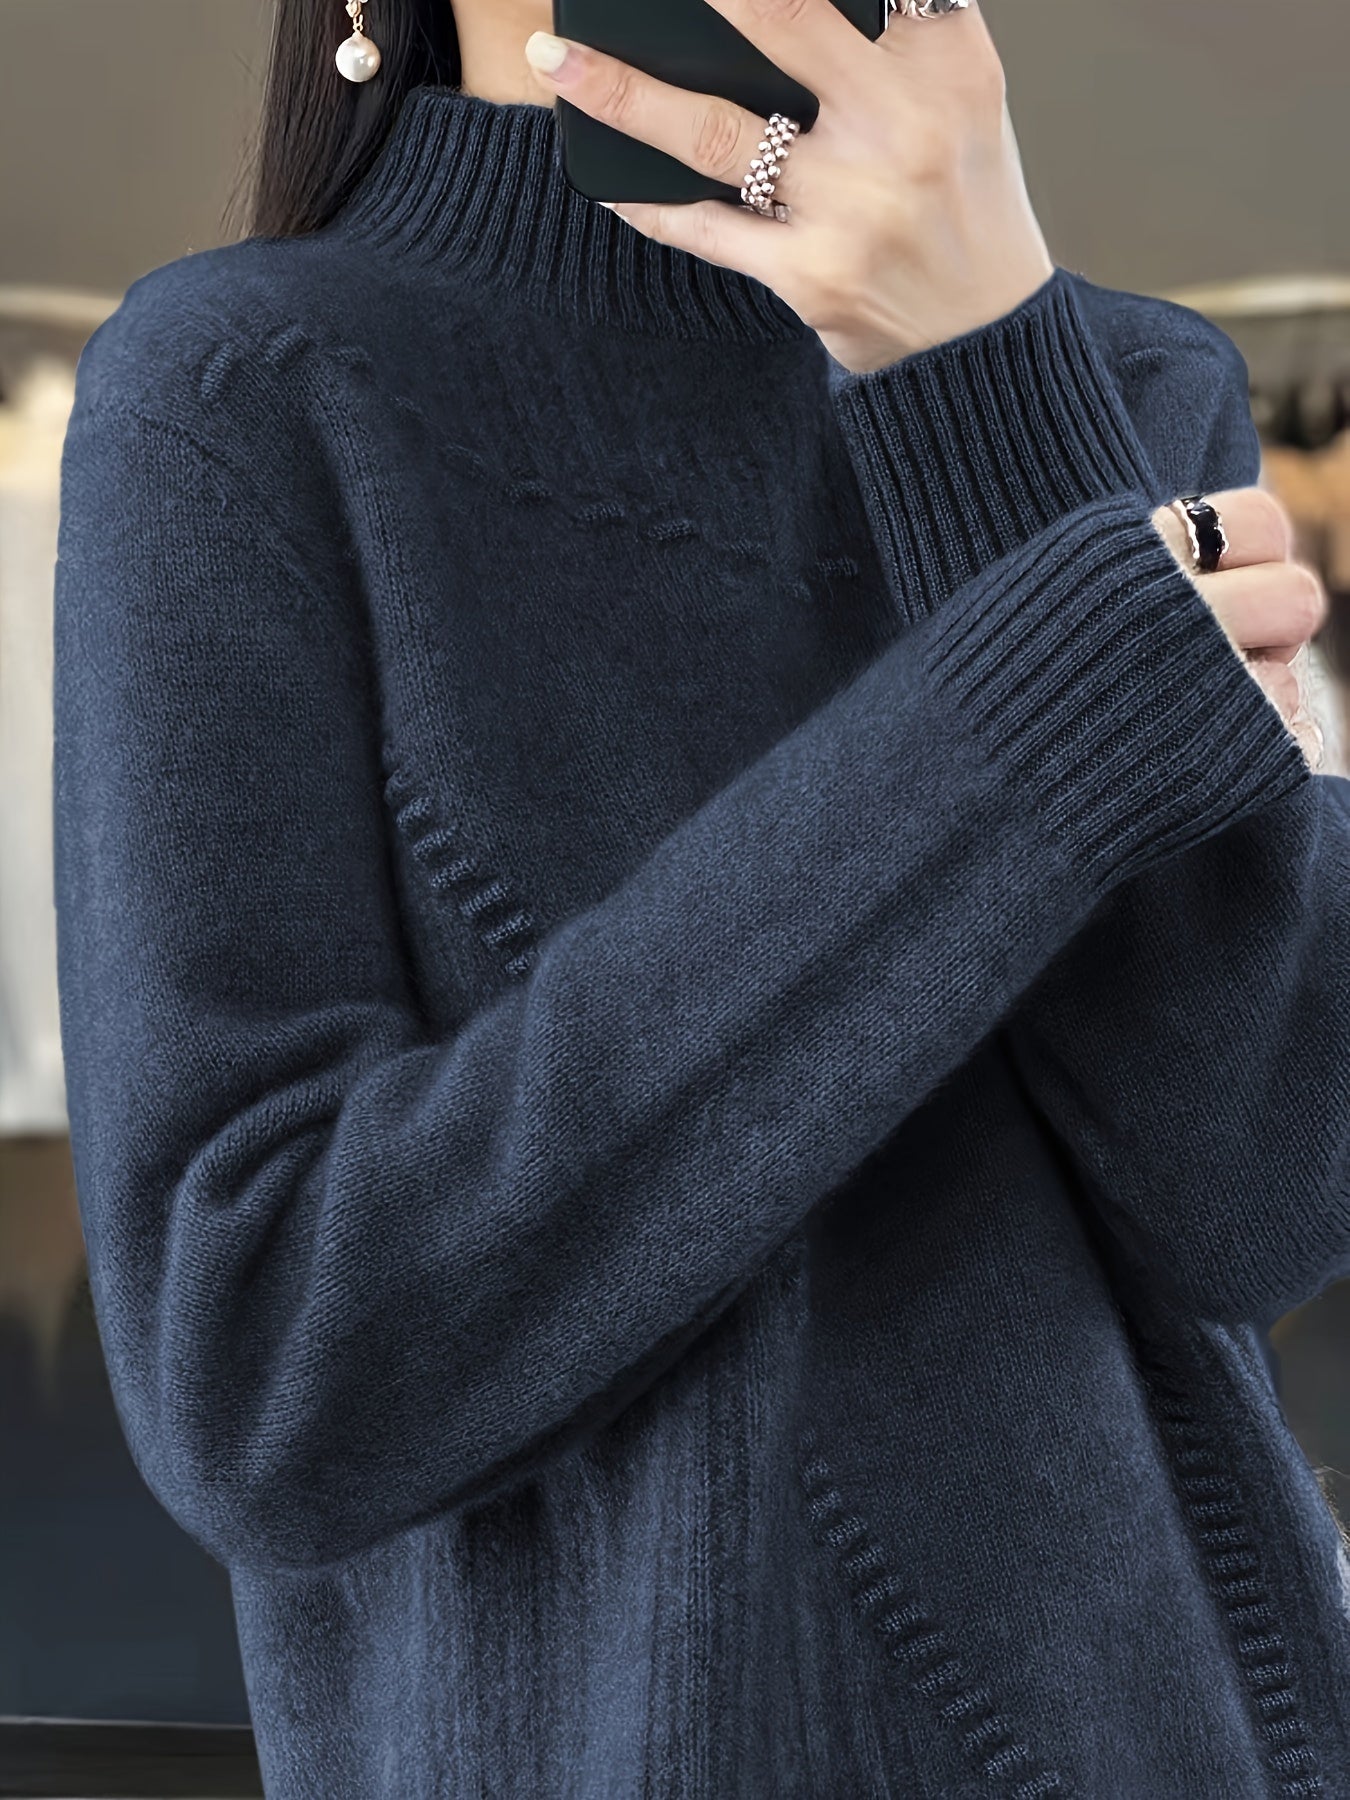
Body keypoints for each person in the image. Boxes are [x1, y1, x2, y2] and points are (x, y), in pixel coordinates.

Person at [50, 0, 1350, 1792]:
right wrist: (1012, 721)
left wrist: (990, 380)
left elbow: (1256, 1199)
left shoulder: (1121, 389)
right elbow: (265, 1371)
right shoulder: (246, 388)